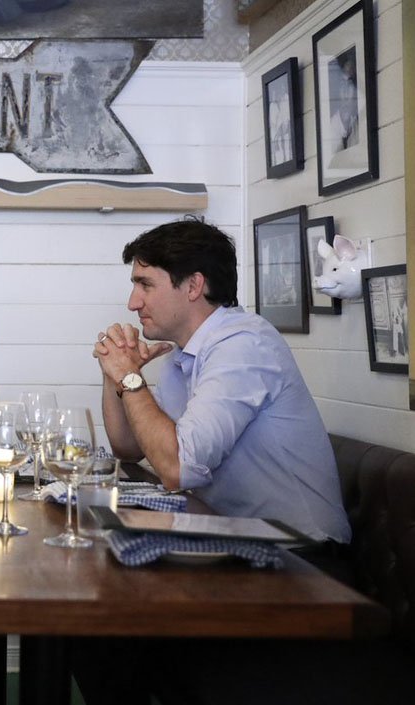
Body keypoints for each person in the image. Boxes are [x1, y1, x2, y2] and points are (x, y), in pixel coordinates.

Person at [72, 217, 353, 705]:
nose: (132, 302)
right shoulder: (188, 354)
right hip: (236, 545)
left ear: (193, 285)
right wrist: (115, 373)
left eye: (145, 284)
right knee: (90, 620)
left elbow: (177, 467)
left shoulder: (242, 345)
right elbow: (130, 448)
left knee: (104, 628)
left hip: (303, 562)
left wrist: (132, 381)